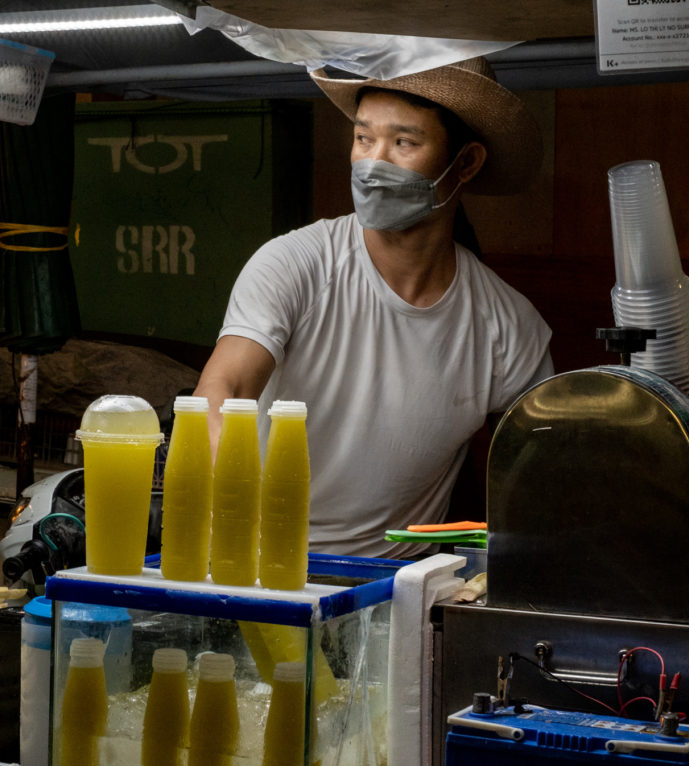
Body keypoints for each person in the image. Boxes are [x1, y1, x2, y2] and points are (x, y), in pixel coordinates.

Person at [193, 57, 553, 560]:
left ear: (465, 163)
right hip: (257, 571)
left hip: (387, 598)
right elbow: (224, 389)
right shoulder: (296, 263)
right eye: (364, 139)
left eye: (404, 143)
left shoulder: (508, 327)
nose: (373, 163)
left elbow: (540, 477)